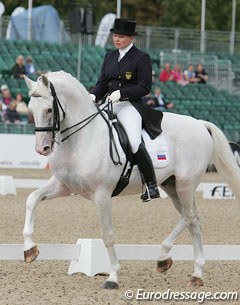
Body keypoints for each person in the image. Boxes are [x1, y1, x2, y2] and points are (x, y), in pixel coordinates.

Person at [90, 18, 162, 202]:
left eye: (121, 36)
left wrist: (122, 93)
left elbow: (145, 87)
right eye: (115, 35)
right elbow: (102, 83)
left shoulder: (141, 58)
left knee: (134, 140)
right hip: (108, 103)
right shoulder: (110, 56)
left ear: (131, 38)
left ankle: (151, 185)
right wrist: (92, 96)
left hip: (129, 105)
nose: (116, 39)